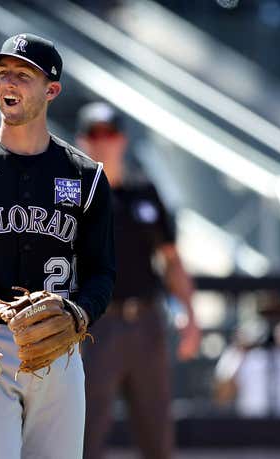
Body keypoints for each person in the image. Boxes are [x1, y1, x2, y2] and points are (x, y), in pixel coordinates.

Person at [0, 33, 115, 458]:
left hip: (61, 347)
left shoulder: (86, 177)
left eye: (22, 75)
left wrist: (78, 314)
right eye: (2, 74)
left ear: (51, 90)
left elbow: (102, 271)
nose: (8, 84)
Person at [75, 102, 201, 459]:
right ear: (82, 140)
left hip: (147, 323)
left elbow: (172, 259)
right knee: (84, 435)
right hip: (95, 327)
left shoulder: (143, 192)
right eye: (94, 134)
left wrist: (190, 315)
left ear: (122, 140)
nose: (102, 142)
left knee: (157, 433)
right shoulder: (72, 197)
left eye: (109, 133)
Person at [214, 291, 280, 418]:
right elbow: (221, 398)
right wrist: (241, 355)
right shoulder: (242, 348)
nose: (274, 322)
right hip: (252, 429)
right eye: (268, 316)